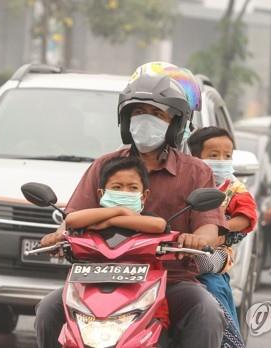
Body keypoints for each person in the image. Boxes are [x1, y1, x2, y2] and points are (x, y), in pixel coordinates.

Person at [35, 62, 226, 348]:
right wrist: (60, 235)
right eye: (138, 113)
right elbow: (73, 218)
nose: (146, 120)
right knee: (47, 311)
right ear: (125, 121)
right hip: (96, 278)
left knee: (207, 312)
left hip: (170, 280)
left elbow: (209, 227)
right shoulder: (104, 165)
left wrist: (197, 240)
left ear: (175, 123)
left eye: (156, 114)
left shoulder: (196, 171)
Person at [187, 126, 257, 331]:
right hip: (177, 250)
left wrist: (218, 228)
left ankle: (230, 337)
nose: (221, 160)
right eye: (214, 155)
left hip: (215, 253)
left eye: (227, 156)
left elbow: (246, 217)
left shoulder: (235, 188)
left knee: (214, 286)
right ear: (195, 157)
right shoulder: (184, 183)